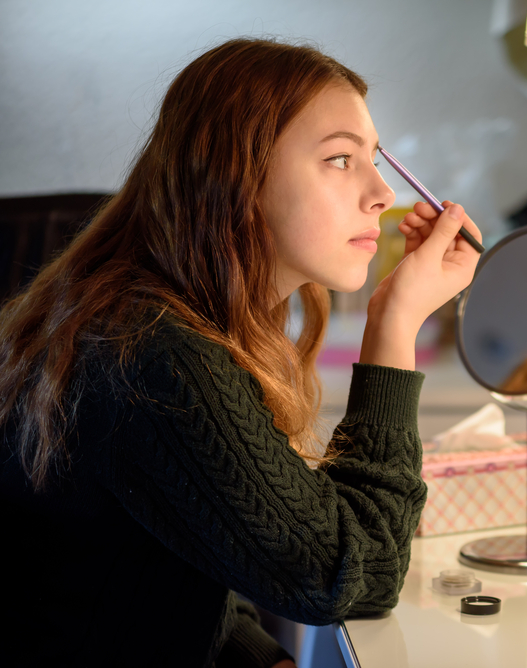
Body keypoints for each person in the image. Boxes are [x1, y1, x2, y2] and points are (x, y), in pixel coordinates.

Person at [0, 38, 481, 667]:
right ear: (238, 175)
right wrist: (394, 327)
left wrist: (264, 659)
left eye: (374, 159)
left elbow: (197, 555)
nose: (382, 193)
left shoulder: (153, 317)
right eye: (340, 159)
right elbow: (355, 571)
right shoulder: (153, 354)